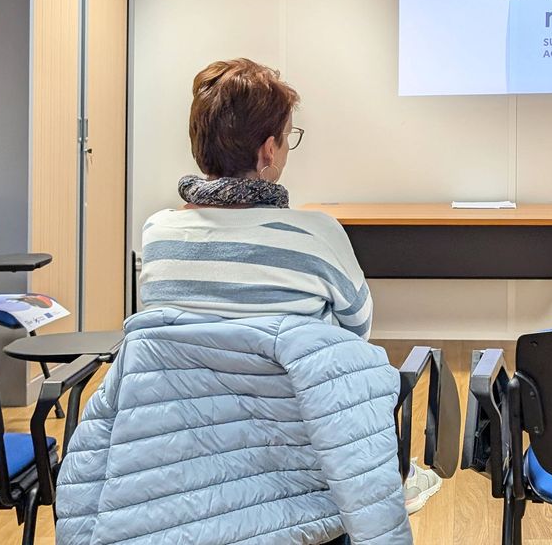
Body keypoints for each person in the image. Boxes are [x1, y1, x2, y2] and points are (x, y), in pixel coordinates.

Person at [137, 57, 442, 515]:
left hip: (188, 459)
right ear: (267, 152)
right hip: (300, 461)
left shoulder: (158, 234)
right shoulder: (314, 234)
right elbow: (355, 331)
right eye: (287, 139)